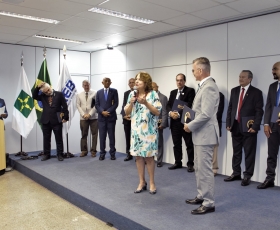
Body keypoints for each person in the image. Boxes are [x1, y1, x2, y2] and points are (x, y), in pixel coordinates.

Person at [184, 57, 219, 215]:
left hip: (205, 135)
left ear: (200, 70)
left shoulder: (209, 87)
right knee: (199, 168)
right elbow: (199, 111)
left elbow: (205, 114)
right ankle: (201, 195)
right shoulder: (203, 86)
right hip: (200, 134)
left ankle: (209, 202)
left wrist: (190, 125)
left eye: (193, 70)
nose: (193, 73)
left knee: (205, 170)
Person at [125, 72, 161, 194]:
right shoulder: (132, 94)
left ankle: (152, 182)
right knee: (138, 157)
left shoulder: (153, 94)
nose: (136, 81)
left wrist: (145, 103)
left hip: (149, 132)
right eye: (136, 79)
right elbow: (127, 112)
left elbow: (157, 112)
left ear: (146, 82)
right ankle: (142, 182)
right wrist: (131, 102)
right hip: (136, 131)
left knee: (149, 157)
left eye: (139, 80)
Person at [224, 70, 263, 186]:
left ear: (250, 79)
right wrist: (228, 122)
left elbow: (259, 111)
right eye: (239, 77)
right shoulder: (234, 90)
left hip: (249, 127)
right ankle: (236, 173)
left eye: (243, 77)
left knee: (249, 152)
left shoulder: (256, 93)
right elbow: (230, 108)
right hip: (235, 125)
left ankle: (247, 176)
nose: (240, 79)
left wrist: (255, 126)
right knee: (236, 152)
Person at [32, 82, 69, 161]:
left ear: (50, 87)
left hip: (57, 119)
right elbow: (34, 96)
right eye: (45, 92)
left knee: (59, 139)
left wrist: (66, 117)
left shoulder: (59, 94)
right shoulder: (42, 96)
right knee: (46, 139)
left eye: (48, 90)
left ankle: (60, 154)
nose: (47, 92)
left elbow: (65, 106)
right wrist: (38, 88)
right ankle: (46, 154)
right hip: (46, 120)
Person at [258, 61, 280, 189]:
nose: (273, 71)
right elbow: (268, 106)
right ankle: (269, 179)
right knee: (271, 154)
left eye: (275, 69)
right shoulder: (272, 86)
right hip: (273, 126)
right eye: (273, 69)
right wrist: (266, 124)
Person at [167, 73, 195, 171]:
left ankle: (190, 164)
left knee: (189, 144)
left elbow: (190, 105)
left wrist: (178, 114)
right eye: (177, 80)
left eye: (181, 80)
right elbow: (168, 105)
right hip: (174, 123)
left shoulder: (190, 91)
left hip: (185, 122)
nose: (179, 82)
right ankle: (178, 162)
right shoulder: (173, 92)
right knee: (176, 144)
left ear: (184, 81)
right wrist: (170, 113)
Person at [95, 78, 119, 160]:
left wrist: (107, 112)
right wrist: (102, 112)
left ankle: (112, 153)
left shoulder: (114, 91)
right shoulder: (98, 92)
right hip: (101, 118)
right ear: (102, 82)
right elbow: (97, 104)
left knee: (111, 136)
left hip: (111, 117)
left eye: (109, 81)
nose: (107, 82)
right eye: (106, 81)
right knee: (102, 136)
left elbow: (116, 103)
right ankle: (102, 153)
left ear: (111, 82)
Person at [76, 80, 98, 157]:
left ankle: (93, 151)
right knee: (84, 134)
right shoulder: (79, 94)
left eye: (87, 85)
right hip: (83, 118)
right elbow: (78, 105)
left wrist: (89, 114)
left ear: (90, 85)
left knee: (94, 134)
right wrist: (83, 114)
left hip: (93, 117)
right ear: (82, 86)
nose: (86, 87)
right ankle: (84, 151)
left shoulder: (95, 93)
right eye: (84, 85)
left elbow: (96, 105)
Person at [152, 82, 168, 167]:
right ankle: (149, 159)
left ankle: (159, 160)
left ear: (157, 87)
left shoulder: (163, 97)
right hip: (150, 124)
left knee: (159, 143)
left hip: (159, 123)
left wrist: (163, 123)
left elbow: (165, 111)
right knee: (150, 142)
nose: (152, 89)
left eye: (153, 87)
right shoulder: (149, 97)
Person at [212, 79, 225, 176]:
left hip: (214, 125)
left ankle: (214, 168)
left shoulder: (220, 96)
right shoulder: (201, 94)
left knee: (214, 148)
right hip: (202, 126)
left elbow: (219, 112)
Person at [122, 78, 135, 161]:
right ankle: (129, 154)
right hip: (127, 119)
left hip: (135, 119)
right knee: (128, 137)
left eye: (133, 82)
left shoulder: (139, 93)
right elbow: (124, 105)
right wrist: (124, 115)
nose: (131, 84)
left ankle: (137, 155)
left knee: (136, 138)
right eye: (130, 83)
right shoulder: (126, 93)